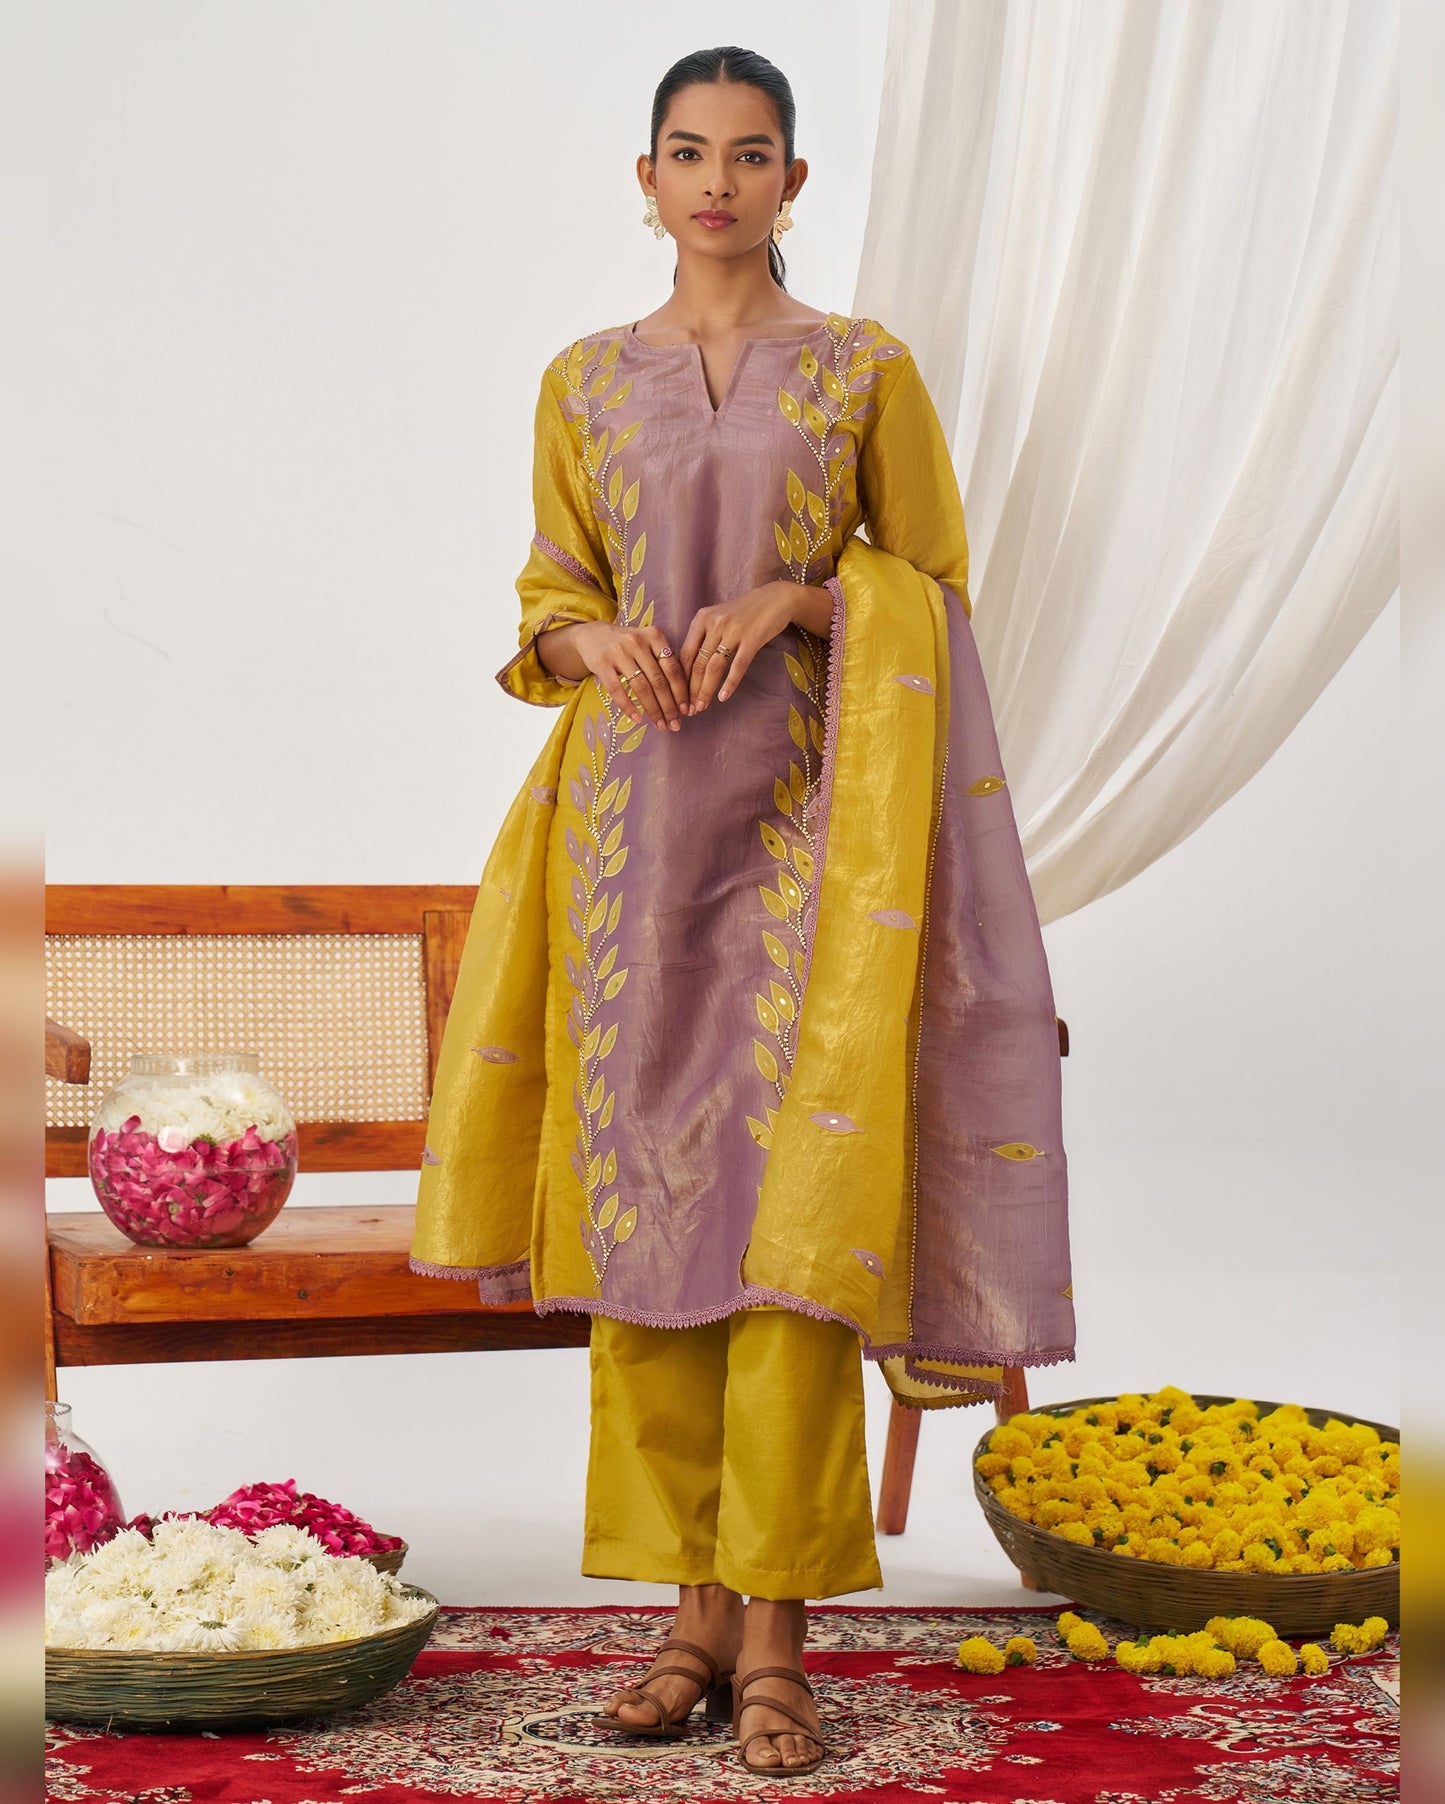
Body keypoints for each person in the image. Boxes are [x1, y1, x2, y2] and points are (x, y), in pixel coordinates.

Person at [410, 44, 1077, 1779]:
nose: (717, 181)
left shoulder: (861, 373)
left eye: (751, 153)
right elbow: (545, 593)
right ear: (644, 180)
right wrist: (584, 641)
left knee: (788, 1241)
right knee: (648, 1230)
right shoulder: (583, 381)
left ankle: (776, 1639)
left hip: (805, 840)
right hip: (623, 845)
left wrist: (797, 591)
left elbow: (926, 583)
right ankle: (683, 1624)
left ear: (795, 181)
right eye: (688, 154)